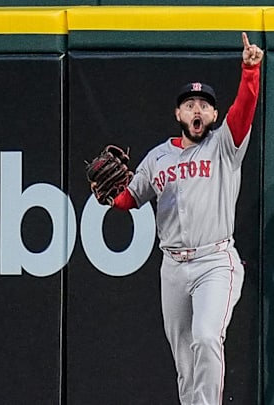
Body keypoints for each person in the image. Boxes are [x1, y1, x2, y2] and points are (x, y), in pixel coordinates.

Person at [98, 33, 263, 405]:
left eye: (204, 106)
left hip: (215, 261)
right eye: (190, 105)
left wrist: (250, 70)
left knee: (206, 336)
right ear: (178, 114)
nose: (197, 111)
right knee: (185, 361)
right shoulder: (157, 158)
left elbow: (245, 108)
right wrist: (112, 198)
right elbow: (130, 198)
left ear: (214, 115)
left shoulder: (224, 146)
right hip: (172, 266)